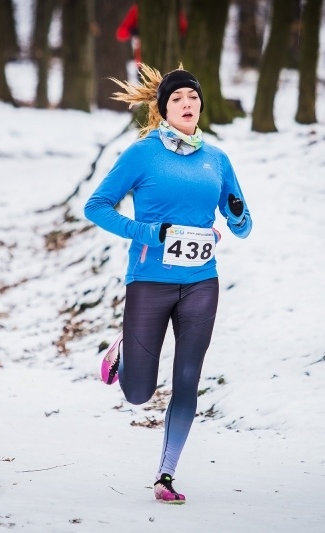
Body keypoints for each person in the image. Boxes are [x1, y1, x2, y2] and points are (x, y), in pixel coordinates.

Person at [84, 64, 252, 504]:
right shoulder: (142, 154)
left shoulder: (217, 160)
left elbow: (243, 224)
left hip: (201, 282)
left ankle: (166, 474)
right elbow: (96, 206)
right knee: (139, 393)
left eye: (193, 97)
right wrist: (147, 232)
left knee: (188, 378)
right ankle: (125, 352)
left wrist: (236, 214)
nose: (187, 104)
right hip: (149, 281)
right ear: (163, 110)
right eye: (177, 99)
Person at [115, 4, 188, 64]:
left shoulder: (171, 9)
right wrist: (133, 31)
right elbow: (121, 33)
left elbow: (184, 30)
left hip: (169, 56)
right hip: (143, 60)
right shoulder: (139, 9)